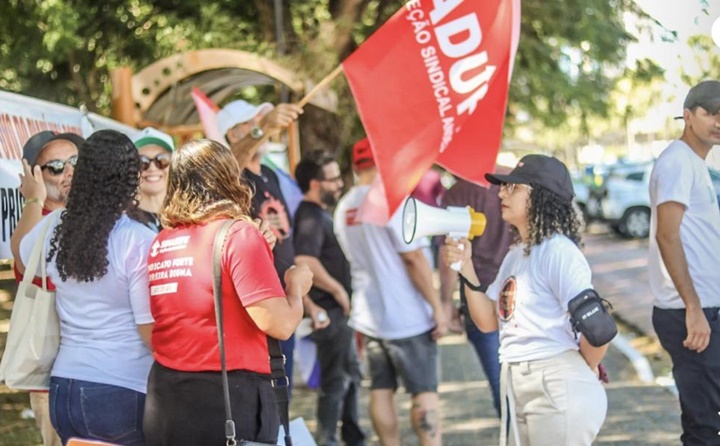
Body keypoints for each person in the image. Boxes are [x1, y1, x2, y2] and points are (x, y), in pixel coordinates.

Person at [142, 139, 312, 446]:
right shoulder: (238, 234)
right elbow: (281, 324)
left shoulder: (162, 241)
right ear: (228, 178)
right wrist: (296, 287)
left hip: (166, 400)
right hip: (229, 400)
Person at [443, 154, 608, 446]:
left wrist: (584, 368)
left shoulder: (558, 252)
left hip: (554, 381)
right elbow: (487, 321)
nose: (501, 192)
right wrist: (465, 266)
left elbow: (599, 328)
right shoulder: (516, 254)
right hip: (521, 381)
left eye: (513, 188)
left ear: (541, 197)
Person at [11, 129, 155, 446]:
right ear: (132, 178)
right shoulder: (138, 240)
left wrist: (33, 200)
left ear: (82, 172)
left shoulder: (55, 226)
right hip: (121, 389)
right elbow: (149, 332)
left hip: (64, 388)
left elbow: (21, 255)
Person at [334, 138, 446, 446]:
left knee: (380, 389)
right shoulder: (388, 199)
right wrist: (437, 307)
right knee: (424, 391)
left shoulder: (345, 206)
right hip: (407, 315)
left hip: (370, 314)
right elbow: (412, 257)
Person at [648, 80, 720, 445]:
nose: (718, 121)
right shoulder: (677, 160)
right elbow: (667, 234)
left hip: (704, 309)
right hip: (690, 314)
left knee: (710, 418)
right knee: (704, 426)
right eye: (710, 112)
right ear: (688, 116)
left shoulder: (695, 164)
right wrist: (693, 308)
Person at [218, 99, 304, 392]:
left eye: (261, 121)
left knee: (284, 390)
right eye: (251, 123)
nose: (260, 129)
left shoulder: (269, 173)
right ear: (232, 134)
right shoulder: (234, 176)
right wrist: (263, 129)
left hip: (283, 300)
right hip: (259, 304)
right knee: (269, 394)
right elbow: (228, 166)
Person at [10, 130, 84, 446]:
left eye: (75, 162)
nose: (69, 172)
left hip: (98, 370)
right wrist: (34, 199)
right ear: (34, 174)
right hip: (53, 378)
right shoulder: (35, 221)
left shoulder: (87, 214)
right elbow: (24, 259)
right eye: (55, 166)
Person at [293, 150, 366, 446]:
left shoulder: (319, 213)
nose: (339, 184)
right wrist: (337, 290)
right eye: (333, 179)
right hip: (330, 311)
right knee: (335, 383)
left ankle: (353, 438)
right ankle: (328, 441)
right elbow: (305, 258)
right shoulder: (309, 214)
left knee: (350, 378)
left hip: (338, 312)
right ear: (314, 184)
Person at [438, 175, 512, 418]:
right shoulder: (511, 186)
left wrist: (446, 302)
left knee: (500, 384)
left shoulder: (458, 193)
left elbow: (449, 254)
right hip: (517, 294)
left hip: (477, 293)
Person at [132, 127, 175, 232]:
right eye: (142, 162)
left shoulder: (189, 218)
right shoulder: (121, 223)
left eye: (162, 160)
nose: (152, 168)